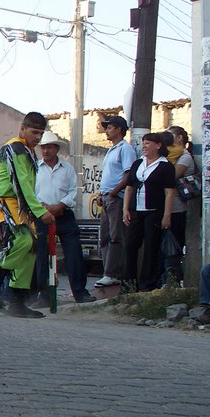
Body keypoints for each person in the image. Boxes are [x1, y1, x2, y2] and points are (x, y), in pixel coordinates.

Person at [0, 112, 56, 318]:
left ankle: (17, 301)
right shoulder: (16, 148)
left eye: (41, 133)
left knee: (30, 247)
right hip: (7, 202)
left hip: (20, 205)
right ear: (22, 129)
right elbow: (21, 184)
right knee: (22, 241)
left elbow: (26, 187)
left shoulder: (27, 151)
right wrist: (40, 212)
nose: (38, 137)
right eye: (35, 132)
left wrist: (36, 207)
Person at [32, 132, 96, 306]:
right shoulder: (35, 168)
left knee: (74, 253)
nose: (46, 150)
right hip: (42, 214)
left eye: (49, 147)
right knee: (42, 256)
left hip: (64, 214)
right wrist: (43, 207)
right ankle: (43, 295)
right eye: (43, 147)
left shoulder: (67, 168)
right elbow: (31, 193)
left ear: (56, 148)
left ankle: (80, 293)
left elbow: (73, 192)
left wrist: (60, 205)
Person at [122, 131, 176, 293]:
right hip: (136, 210)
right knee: (130, 246)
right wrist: (125, 209)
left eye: (148, 143)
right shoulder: (138, 164)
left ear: (158, 146)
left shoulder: (165, 166)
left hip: (154, 211)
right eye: (143, 143)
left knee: (151, 248)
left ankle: (147, 285)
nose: (144, 146)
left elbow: (169, 192)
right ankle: (128, 284)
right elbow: (129, 187)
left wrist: (167, 215)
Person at [94, 115, 137, 288]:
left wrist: (114, 191)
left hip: (116, 198)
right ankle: (107, 271)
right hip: (106, 197)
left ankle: (113, 273)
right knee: (104, 236)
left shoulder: (125, 149)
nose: (107, 130)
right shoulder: (111, 150)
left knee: (115, 235)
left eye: (110, 127)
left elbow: (128, 175)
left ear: (119, 129)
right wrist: (102, 194)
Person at [164, 125, 197, 284]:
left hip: (177, 208)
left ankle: (173, 281)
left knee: (173, 248)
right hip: (165, 207)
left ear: (179, 138)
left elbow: (172, 176)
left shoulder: (184, 157)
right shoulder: (169, 156)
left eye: (170, 137)